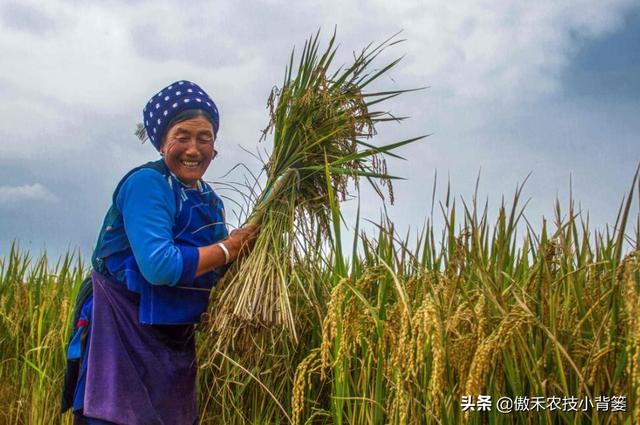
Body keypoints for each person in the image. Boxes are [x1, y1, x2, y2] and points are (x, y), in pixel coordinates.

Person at [61, 80, 259, 424]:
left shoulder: (211, 200)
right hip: (121, 335)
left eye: (205, 137)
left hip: (173, 343)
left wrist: (251, 249)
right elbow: (159, 266)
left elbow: (213, 270)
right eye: (182, 137)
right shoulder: (147, 184)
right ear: (162, 141)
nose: (194, 149)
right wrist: (230, 247)